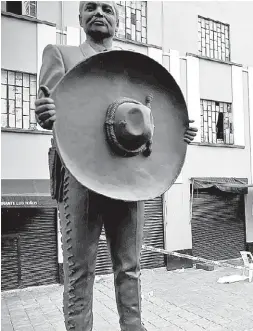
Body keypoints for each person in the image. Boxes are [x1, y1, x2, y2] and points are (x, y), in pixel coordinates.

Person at [34, 2, 197, 330]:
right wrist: (43, 114)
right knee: (80, 271)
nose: (99, 13)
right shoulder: (60, 55)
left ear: (118, 20)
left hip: (128, 176)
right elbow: (47, 107)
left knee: (130, 267)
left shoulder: (134, 70)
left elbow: (149, 121)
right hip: (80, 176)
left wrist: (178, 132)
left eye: (107, 8)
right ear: (79, 18)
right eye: (90, 7)